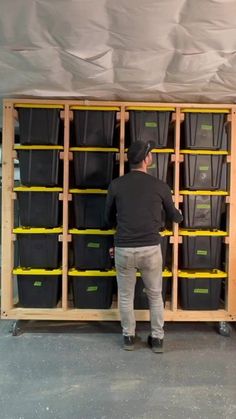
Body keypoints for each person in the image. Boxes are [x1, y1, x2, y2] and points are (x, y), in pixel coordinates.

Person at [105, 141, 182, 353]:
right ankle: (157, 339)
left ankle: (128, 337)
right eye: (151, 153)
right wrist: (178, 214)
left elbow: (108, 218)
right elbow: (174, 215)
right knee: (155, 295)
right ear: (146, 159)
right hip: (150, 249)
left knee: (125, 296)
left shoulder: (116, 185)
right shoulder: (160, 186)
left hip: (124, 249)